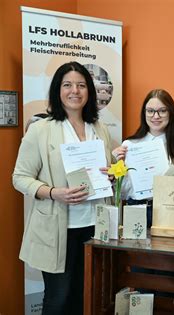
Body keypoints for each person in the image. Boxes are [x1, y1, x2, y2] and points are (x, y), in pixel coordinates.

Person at [12, 61, 112, 315]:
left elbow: (105, 170)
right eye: (67, 85)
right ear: (58, 90)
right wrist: (53, 192)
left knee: (85, 295)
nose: (74, 91)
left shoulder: (99, 128)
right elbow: (20, 177)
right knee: (58, 299)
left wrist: (109, 177)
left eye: (81, 85)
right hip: (58, 229)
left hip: (94, 227)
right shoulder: (40, 129)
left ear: (89, 91)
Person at [112, 89, 174, 227]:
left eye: (162, 111)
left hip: (169, 211)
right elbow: (122, 193)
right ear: (144, 113)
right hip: (136, 209)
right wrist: (119, 168)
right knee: (135, 249)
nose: (156, 116)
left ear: (171, 113)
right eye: (150, 111)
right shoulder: (129, 145)